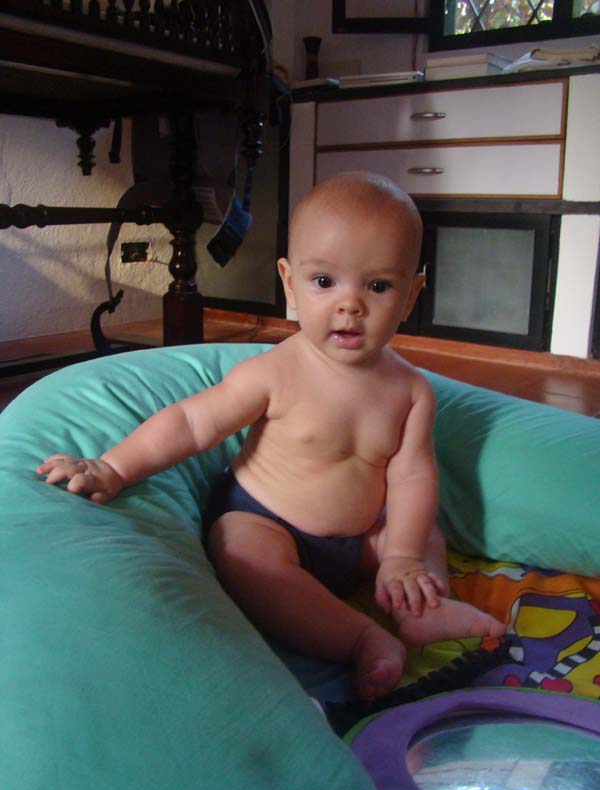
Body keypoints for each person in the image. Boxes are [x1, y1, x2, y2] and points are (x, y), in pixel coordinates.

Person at [37, 172, 505, 701]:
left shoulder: (412, 390)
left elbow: (414, 475)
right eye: (324, 281)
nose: (350, 305)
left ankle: (421, 610)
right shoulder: (274, 373)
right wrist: (114, 468)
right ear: (289, 282)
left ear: (411, 294)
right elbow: (192, 423)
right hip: (267, 522)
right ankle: (361, 638)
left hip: (360, 538)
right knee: (240, 553)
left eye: (378, 286)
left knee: (424, 531)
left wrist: (401, 556)